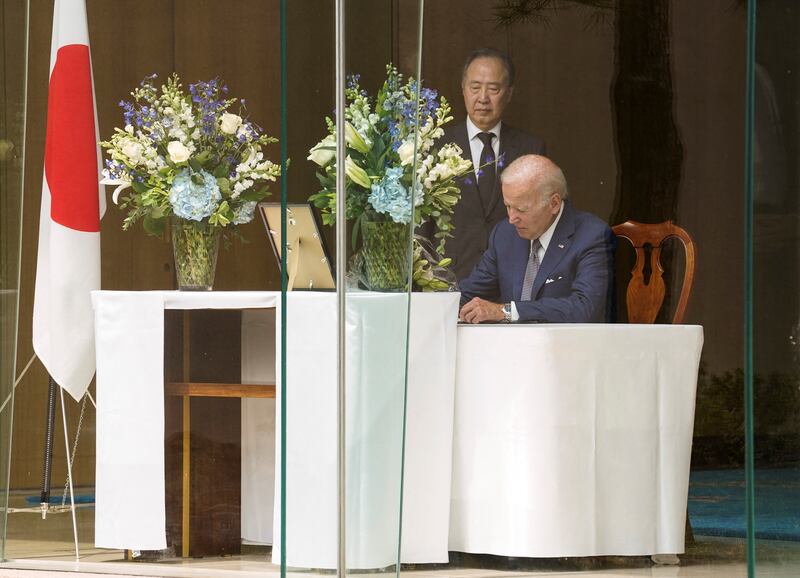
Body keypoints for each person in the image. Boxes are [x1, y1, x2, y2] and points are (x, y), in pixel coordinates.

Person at [430, 48, 546, 280]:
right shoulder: (433, 145)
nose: (483, 98)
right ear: (463, 89)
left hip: (512, 280)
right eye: (475, 87)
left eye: (493, 89)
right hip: (449, 279)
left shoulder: (530, 148)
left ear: (509, 93)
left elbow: (544, 220)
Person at [458, 155, 614, 324]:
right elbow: (469, 293)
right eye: (508, 206)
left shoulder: (592, 235)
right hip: (508, 346)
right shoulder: (504, 234)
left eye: (521, 209)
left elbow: (585, 307)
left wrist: (507, 311)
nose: (512, 218)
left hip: (565, 346)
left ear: (553, 203)